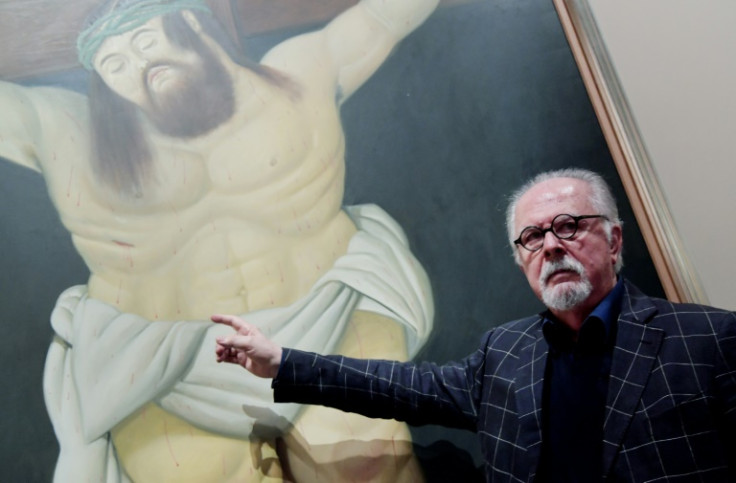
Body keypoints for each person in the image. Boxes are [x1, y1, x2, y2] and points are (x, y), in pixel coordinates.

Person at [1, 0, 440, 481]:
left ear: (190, 22)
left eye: (146, 43)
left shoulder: (300, 76)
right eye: (115, 66)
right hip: (167, 369)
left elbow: (388, 15)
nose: (142, 67)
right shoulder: (66, 134)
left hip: (326, 323)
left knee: (373, 468)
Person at [214, 168, 736, 482]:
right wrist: (283, 361)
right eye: (531, 237)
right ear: (521, 259)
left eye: (569, 226)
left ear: (615, 240)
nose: (550, 245)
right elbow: (403, 388)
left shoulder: (709, 340)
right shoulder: (505, 353)